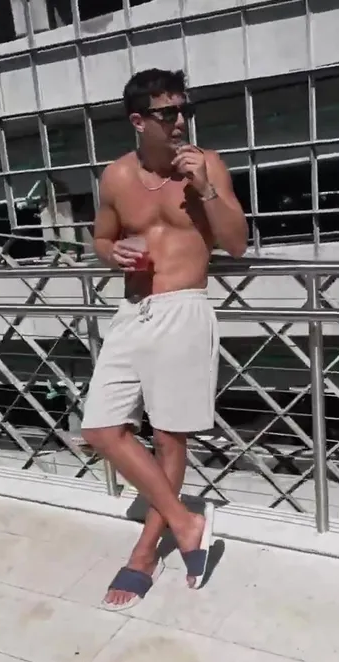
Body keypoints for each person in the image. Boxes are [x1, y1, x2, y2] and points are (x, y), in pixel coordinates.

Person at [79, 68, 249, 610]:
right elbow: (100, 238)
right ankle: (185, 520)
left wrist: (204, 188)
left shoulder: (207, 164)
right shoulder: (116, 176)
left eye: (184, 110)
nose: (180, 121)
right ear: (139, 120)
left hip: (183, 308)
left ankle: (144, 553)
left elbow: (237, 244)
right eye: (168, 112)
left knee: (170, 440)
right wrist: (113, 254)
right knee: (101, 428)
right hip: (132, 311)